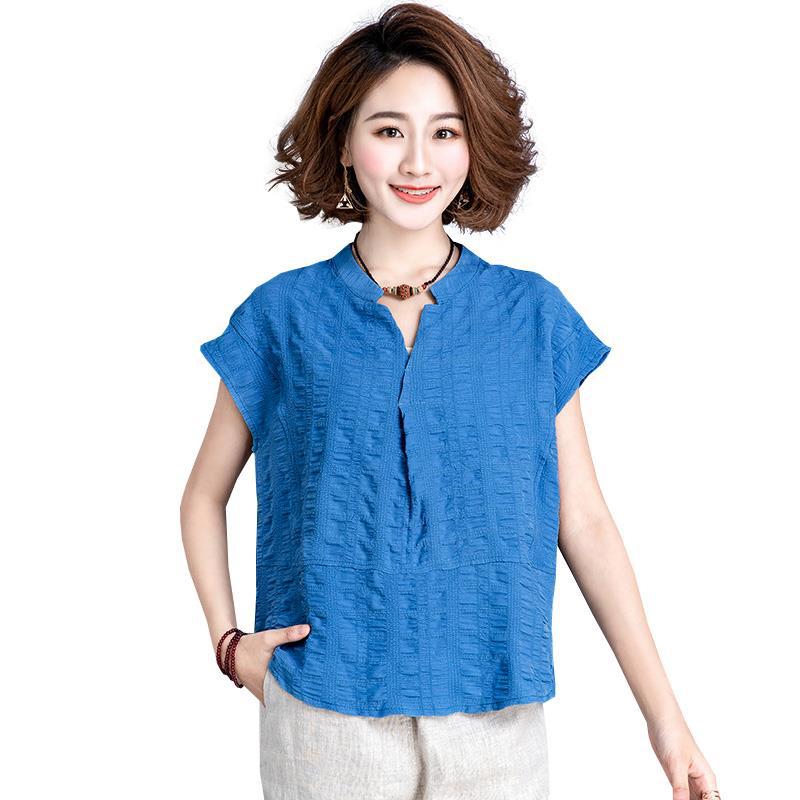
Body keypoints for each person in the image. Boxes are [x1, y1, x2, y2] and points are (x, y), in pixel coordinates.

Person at [180, 4, 721, 799]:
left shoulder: (531, 316)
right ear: (344, 142)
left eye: (445, 131)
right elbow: (203, 495)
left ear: (474, 145)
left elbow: (586, 523)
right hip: (323, 714)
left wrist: (667, 724)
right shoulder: (281, 317)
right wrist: (230, 646)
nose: (417, 160)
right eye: (388, 130)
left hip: (496, 717)